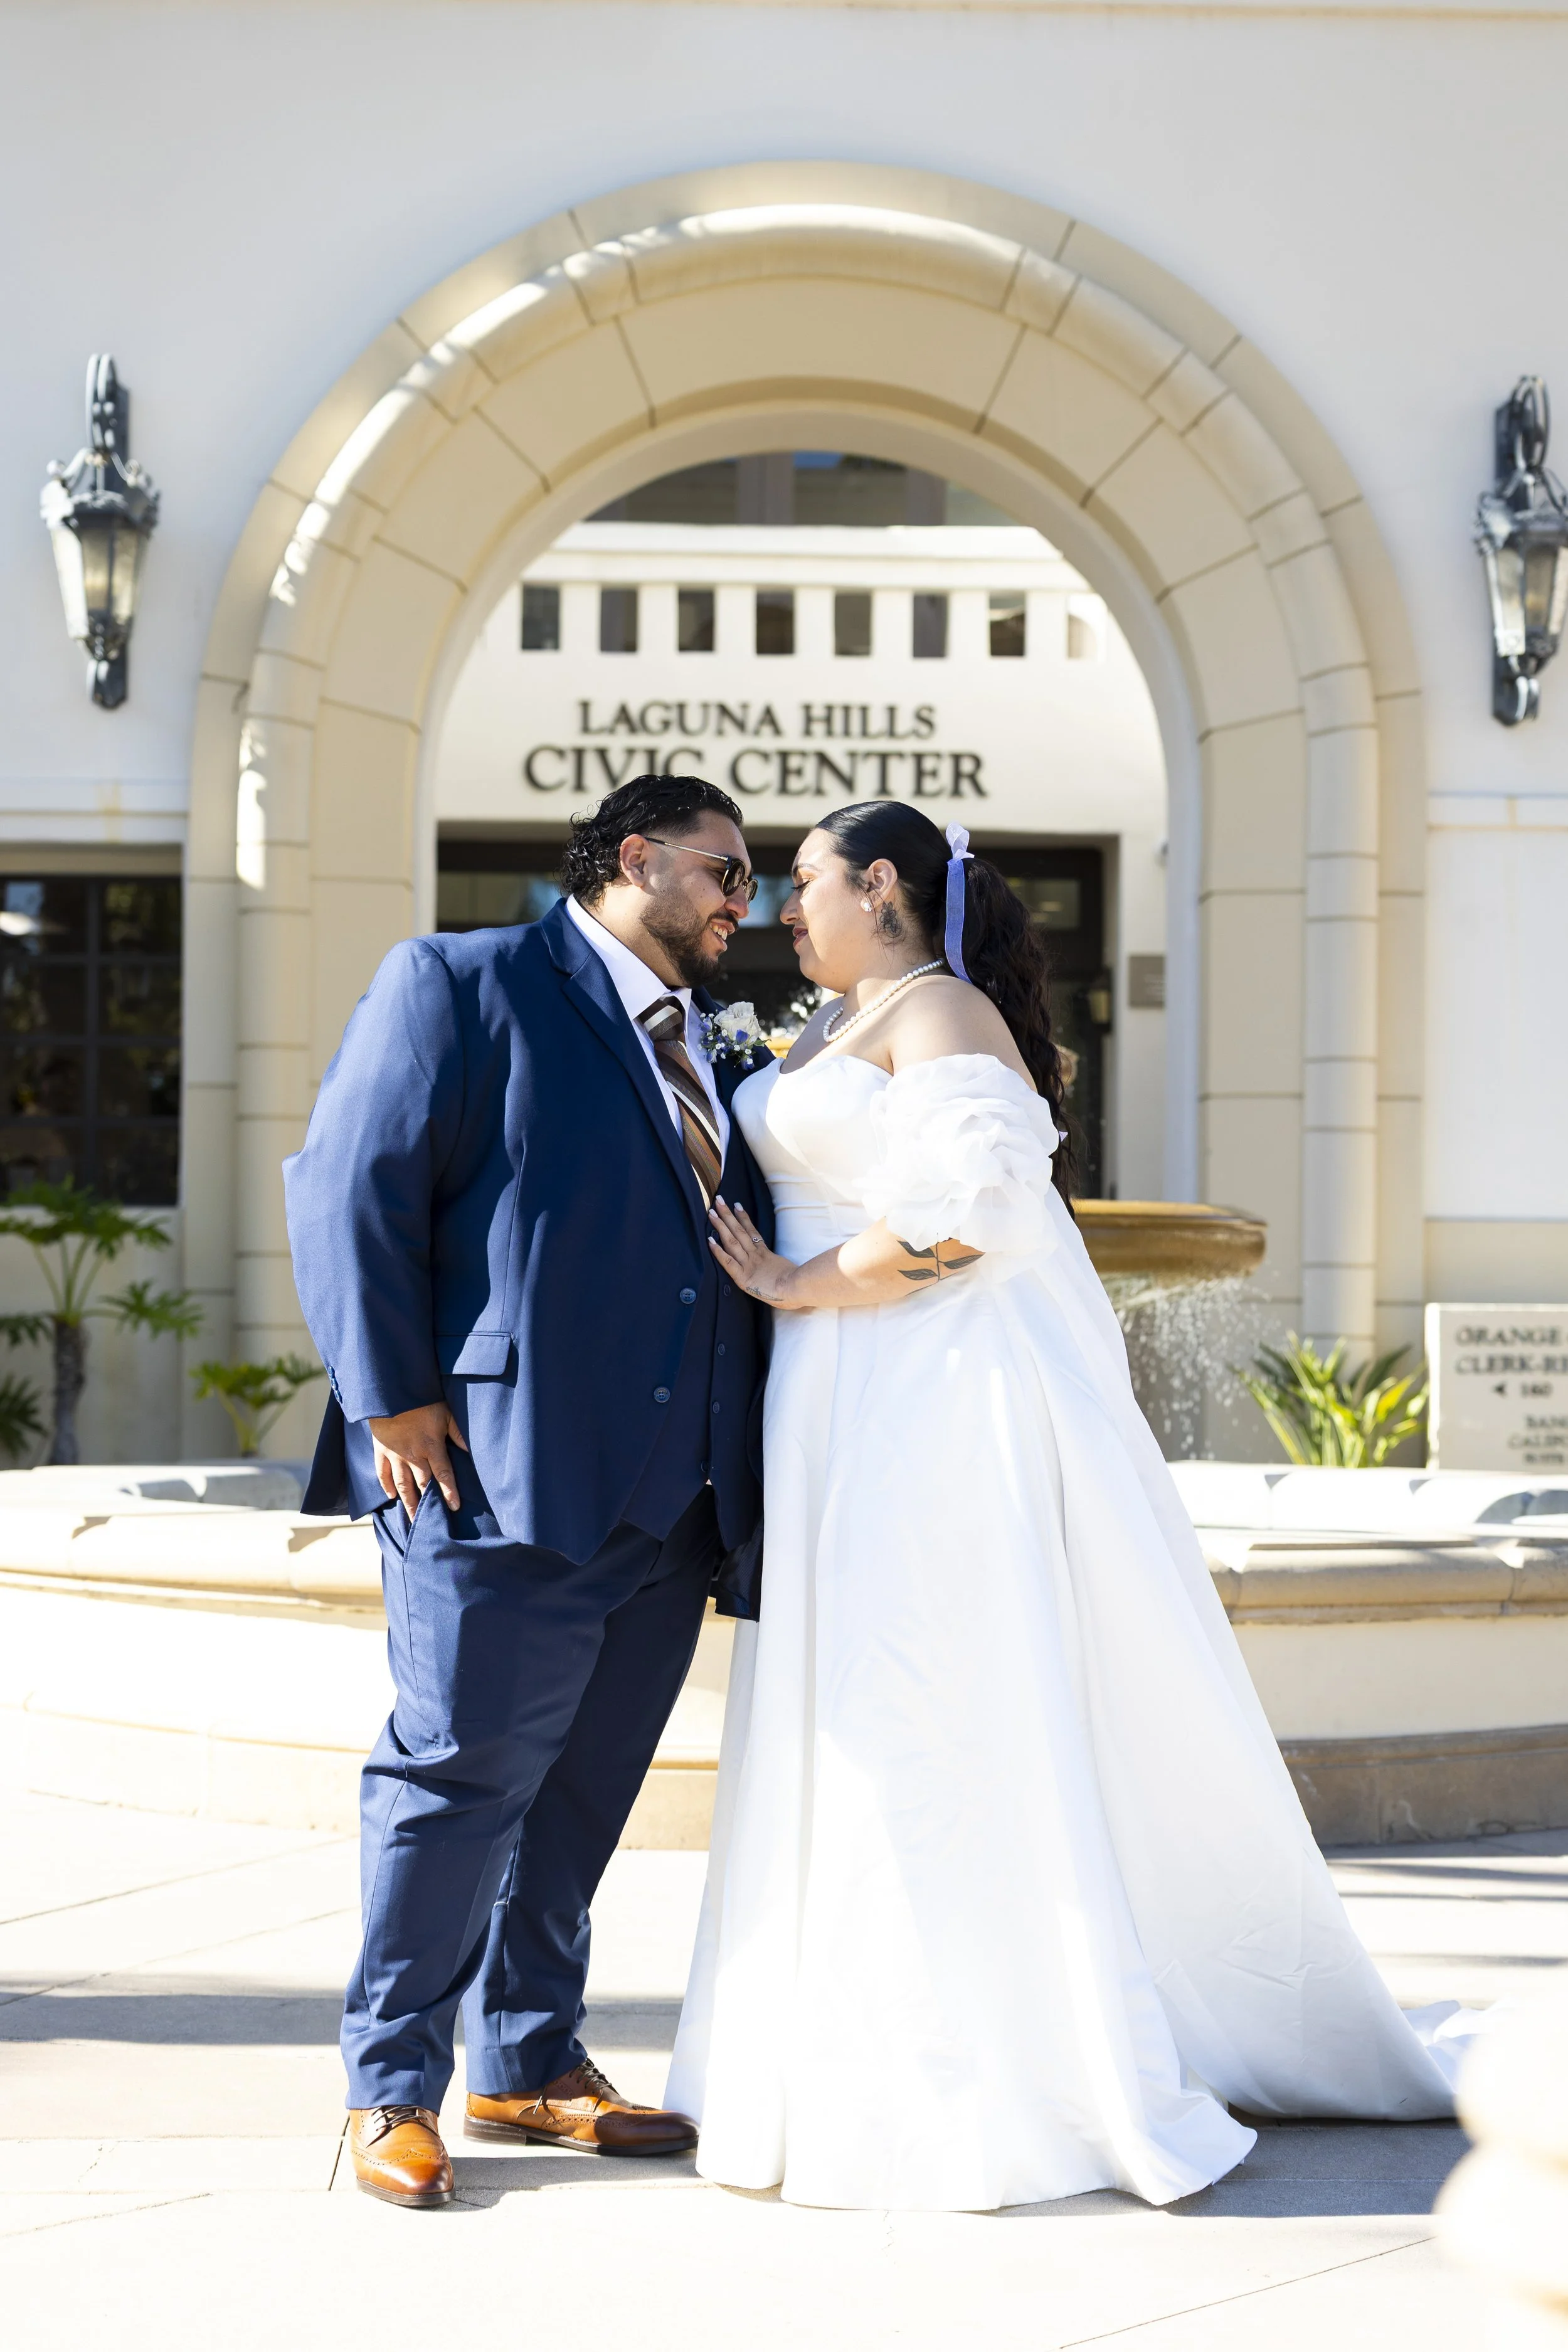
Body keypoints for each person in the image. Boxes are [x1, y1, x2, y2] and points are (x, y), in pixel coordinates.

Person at [667, 800, 1478, 2213]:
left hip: (925, 1398)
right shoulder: (840, 1020)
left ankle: (985, 2064)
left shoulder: (945, 1017)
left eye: (802, 886)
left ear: (880, 887)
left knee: (933, 1693)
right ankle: (818, 2047)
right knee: (845, 1701)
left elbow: (968, 1214)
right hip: (832, 1401)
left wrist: (801, 1285)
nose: (783, 913)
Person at [284, 774, 775, 2208]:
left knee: (579, 1800)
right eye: (723, 874)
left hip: (674, 1500)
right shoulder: (462, 981)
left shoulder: (707, 1043)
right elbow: (346, 1184)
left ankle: (527, 2057)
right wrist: (390, 1394)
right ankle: (391, 2087)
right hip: (490, 1472)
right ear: (635, 858)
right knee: (453, 1781)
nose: (741, 906)